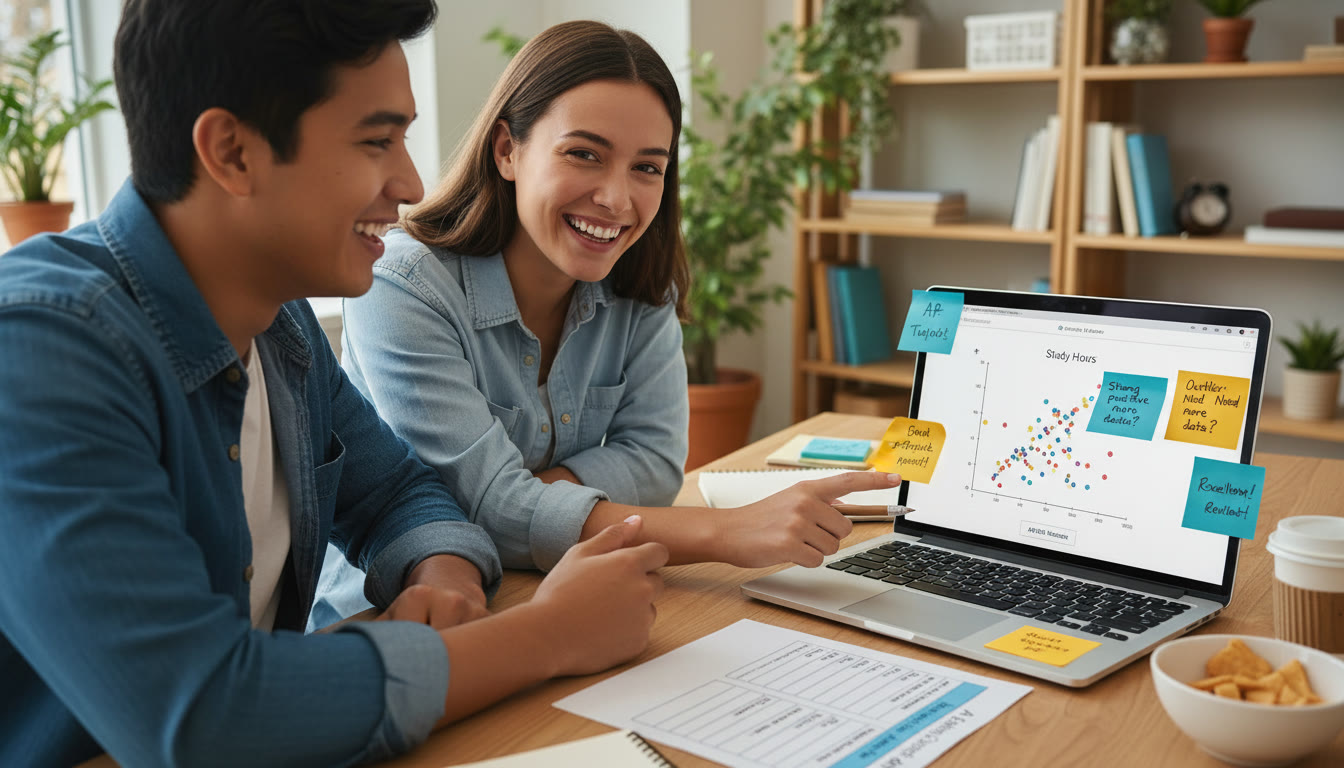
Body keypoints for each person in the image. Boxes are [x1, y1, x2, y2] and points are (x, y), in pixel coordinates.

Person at [0, 3, 667, 767]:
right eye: (378, 140)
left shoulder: (282, 330)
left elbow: (398, 494)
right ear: (233, 151)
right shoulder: (37, 345)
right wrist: (549, 634)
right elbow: (203, 713)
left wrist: (442, 575)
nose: (412, 183)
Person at [314, 19, 901, 620]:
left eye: (647, 167)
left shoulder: (641, 282)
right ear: (507, 150)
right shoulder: (402, 284)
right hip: (388, 621)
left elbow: (654, 462)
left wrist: (523, 498)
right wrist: (725, 533)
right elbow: (484, 510)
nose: (617, 200)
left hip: (557, 587)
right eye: (584, 154)